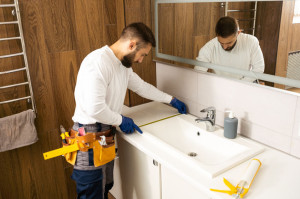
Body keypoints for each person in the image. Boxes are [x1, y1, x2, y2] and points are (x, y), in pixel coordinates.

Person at [70, 22, 186, 199]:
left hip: (104, 134)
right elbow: (94, 108)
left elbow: (141, 87)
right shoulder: (98, 62)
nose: (141, 60)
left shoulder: (122, 66)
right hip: (89, 137)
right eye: (142, 55)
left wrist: (170, 99)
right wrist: (121, 120)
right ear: (131, 45)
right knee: (91, 192)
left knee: (105, 186)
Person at [194, 16, 265, 82]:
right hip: (220, 85)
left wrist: (239, 85)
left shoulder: (251, 41)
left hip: (244, 83)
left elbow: (259, 68)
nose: (224, 47)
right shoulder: (208, 48)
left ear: (238, 33)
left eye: (229, 43)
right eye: (221, 43)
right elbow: (198, 73)